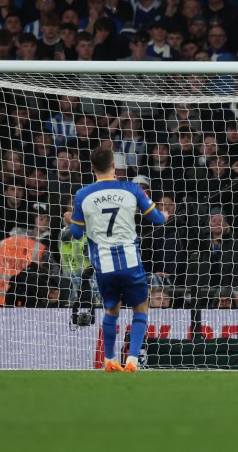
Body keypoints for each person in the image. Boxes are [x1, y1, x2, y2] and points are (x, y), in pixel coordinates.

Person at [63, 145, 168, 372]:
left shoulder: (82, 194)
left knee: (112, 311)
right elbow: (158, 220)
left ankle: (110, 359)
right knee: (140, 308)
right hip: (130, 262)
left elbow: (78, 234)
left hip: (104, 265)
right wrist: (166, 214)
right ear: (114, 166)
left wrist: (70, 219)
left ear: (92, 167)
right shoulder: (132, 189)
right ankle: (131, 360)